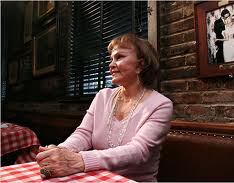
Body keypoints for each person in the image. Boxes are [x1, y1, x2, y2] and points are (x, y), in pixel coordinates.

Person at [35, 34, 173, 182]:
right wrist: (61, 150)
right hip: (98, 178)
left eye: (119, 57)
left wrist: (81, 160)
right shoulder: (103, 96)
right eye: (111, 59)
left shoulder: (161, 104)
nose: (111, 64)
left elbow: (139, 151)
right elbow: (84, 134)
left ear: (140, 65)